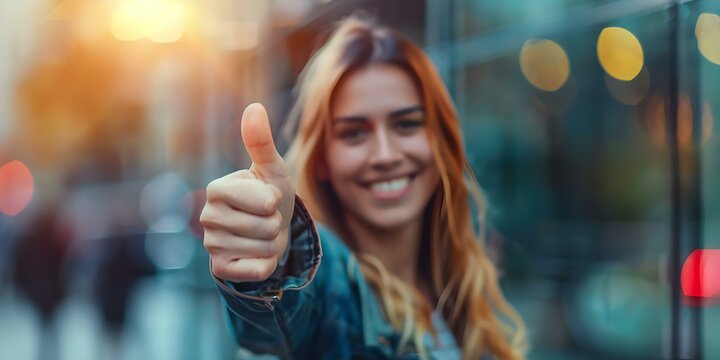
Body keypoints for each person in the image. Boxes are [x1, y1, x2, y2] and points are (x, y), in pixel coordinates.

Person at [200, 15, 526, 359]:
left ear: (439, 141)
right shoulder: (334, 290)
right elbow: (286, 310)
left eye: (406, 124)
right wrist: (273, 259)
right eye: (354, 132)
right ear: (322, 159)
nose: (385, 155)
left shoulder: (463, 292)